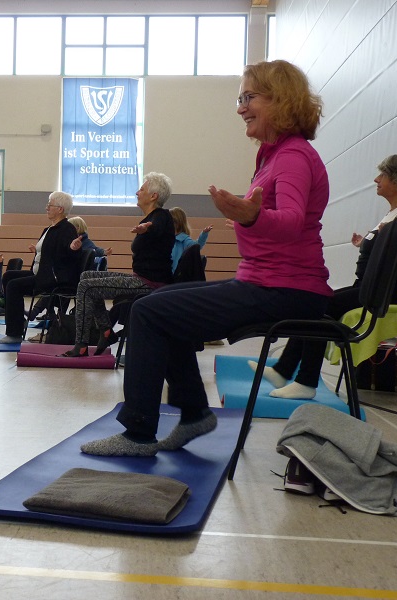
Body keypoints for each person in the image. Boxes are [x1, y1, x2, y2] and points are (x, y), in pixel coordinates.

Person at [80, 59, 333, 457]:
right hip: (270, 282)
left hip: (284, 288)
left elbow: (290, 221)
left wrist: (252, 215)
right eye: (239, 98)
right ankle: (194, 413)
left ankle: (139, 434)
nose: (240, 108)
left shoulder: (293, 156)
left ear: (281, 100)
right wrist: (252, 217)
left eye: (249, 97)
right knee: (157, 310)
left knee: (147, 313)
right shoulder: (274, 155)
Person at [253, 154, 397, 399]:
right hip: (369, 287)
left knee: (316, 308)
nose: (376, 179)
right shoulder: (396, 212)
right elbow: (384, 246)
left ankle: (305, 381)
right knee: (313, 302)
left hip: (387, 293)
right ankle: (283, 370)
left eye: (383, 175)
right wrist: (365, 243)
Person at [62, 172, 176, 357]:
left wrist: (148, 227)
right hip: (140, 279)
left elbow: (158, 225)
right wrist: (145, 227)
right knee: (87, 277)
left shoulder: (162, 216)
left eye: (142, 189)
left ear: (153, 196)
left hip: (150, 283)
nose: (137, 192)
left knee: (86, 286)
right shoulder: (150, 218)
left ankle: (81, 344)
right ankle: (106, 330)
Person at [0, 192, 81, 344]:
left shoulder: (67, 229)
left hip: (52, 279)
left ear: (60, 209)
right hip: (40, 274)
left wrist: (73, 248)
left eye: (50, 204)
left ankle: (14, 333)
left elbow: (68, 250)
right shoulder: (50, 228)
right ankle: (18, 320)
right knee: (8, 276)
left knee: (14, 286)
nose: (46, 207)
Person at [169, 207, 213, 273]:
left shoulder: (184, 239)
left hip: (176, 276)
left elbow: (197, 246)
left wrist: (204, 234)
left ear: (177, 223)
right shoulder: (166, 238)